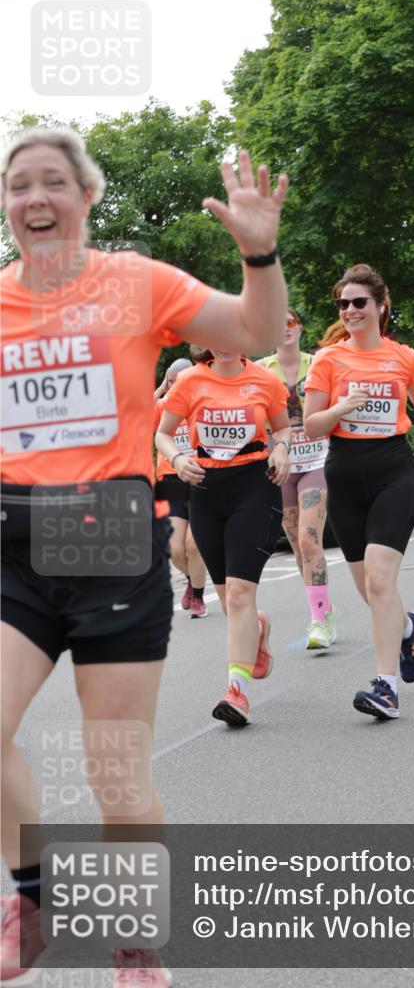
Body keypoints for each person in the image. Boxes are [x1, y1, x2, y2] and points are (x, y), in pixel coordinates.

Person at [0, 126, 287, 987]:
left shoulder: (136, 281)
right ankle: (34, 894)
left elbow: (254, 328)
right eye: (19, 185)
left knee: (113, 765)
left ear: (85, 198)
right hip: (14, 537)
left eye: (54, 182)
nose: (35, 198)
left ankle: (132, 935)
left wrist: (258, 251)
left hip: (110, 534)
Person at [303, 263, 414, 720]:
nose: (349, 310)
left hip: (391, 469)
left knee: (382, 580)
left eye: (358, 302)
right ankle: (406, 628)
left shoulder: (403, 356)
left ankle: (385, 686)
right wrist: (341, 406)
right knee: (369, 590)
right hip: (344, 472)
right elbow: (311, 425)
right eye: (342, 303)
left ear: (381, 306)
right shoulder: (328, 360)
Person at [156, 347, 291, 726]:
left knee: (238, 592)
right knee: (235, 605)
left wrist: (281, 449)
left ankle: (237, 691)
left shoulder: (264, 379)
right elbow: (163, 433)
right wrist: (179, 459)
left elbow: (282, 427)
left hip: (254, 485)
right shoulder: (190, 380)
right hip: (205, 488)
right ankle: (257, 630)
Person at [258, 310, 338, 650]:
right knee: (296, 545)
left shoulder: (319, 363)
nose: (285, 329)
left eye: (290, 323)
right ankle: (323, 608)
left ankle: (319, 621)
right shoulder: (261, 370)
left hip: (317, 457)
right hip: (282, 463)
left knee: (309, 539)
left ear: (300, 328)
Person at [154, 357, 208, 618]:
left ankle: (198, 597)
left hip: (200, 477)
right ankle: (191, 579)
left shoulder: (204, 402)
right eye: (173, 382)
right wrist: (162, 388)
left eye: (181, 381)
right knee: (173, 547)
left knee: (193, 545)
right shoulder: (164, 405)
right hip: (171, 480)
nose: (177, 387)